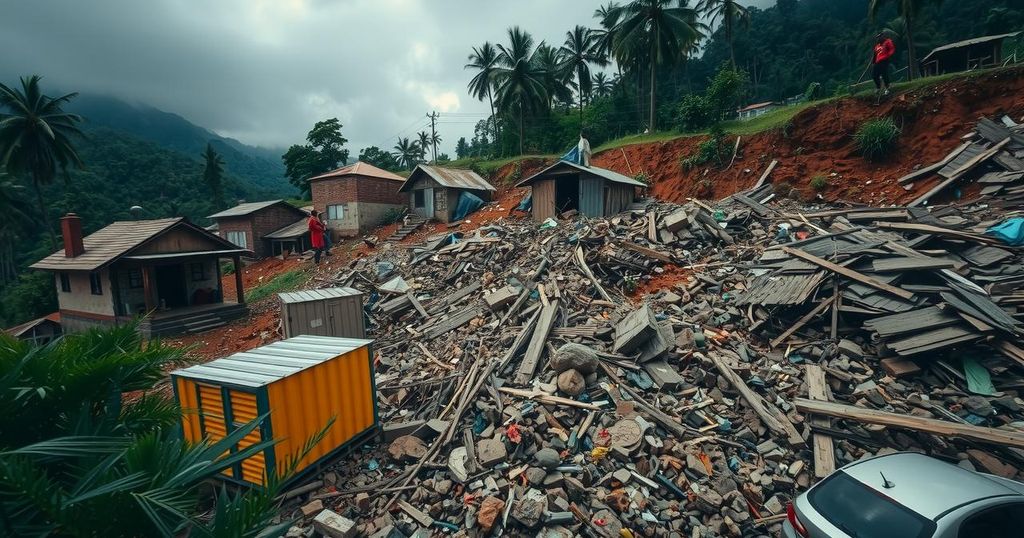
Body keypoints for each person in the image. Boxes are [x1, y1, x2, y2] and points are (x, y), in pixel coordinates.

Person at [872, 32, 896, 96]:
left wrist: (889, 55)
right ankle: (878, 87)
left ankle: (887, 88)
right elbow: (875, 55)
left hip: (884, 60)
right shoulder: (877, 46)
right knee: (874, 75)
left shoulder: (888, 42)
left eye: (880, 37)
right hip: (877, 62)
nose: (879, 39)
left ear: (883, 37)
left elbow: (892, 49)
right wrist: (873, 62)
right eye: (878, 38)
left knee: (884, 74)